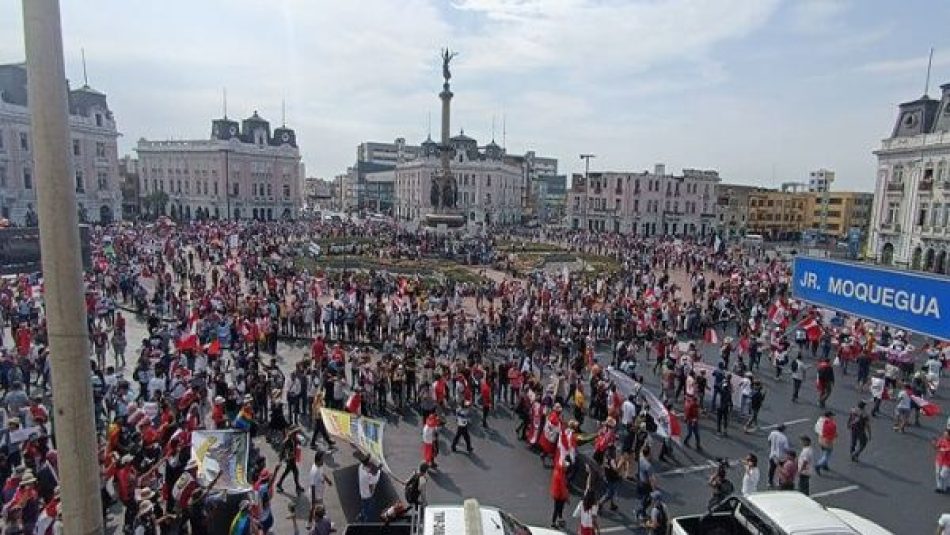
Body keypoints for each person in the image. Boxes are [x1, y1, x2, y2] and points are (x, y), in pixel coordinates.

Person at [277, 427, 305, 494]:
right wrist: (282, 459)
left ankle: (279, 483)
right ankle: (297, 487)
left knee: (287, 471)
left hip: (292, 458)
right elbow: (284, 451)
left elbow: (298, 442)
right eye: (294, 433)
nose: (296, 435)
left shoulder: (293, 439)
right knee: (295, 472)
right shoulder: (287, 441)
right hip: (290, 459)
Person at [308, 450, 332, 526]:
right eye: (322, 459)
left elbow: (322, 474)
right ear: (318, 460)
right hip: (316, 495)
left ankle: (310, 523)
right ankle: (321, 524)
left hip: (319, 493)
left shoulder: (320, 466)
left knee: (315, 509)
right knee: (319, 509)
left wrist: (327, 480)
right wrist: (313, 499)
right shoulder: (314, 471)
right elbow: (312, 486)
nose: (324, 460)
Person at [356, 455, 380, 522]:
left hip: (362, 492)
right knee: (369, 509)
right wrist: (372, 493)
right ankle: (366, 520)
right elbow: (372, 486)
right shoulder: (369, 475)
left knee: (364, 505)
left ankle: (362, 515)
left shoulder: (361, 467)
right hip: (367, 495)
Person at [766, 424, 789, 488]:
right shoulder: (784, 437)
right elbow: (786, 448)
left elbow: (769, 441)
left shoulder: (772, 433)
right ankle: (779, 482)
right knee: (781, 469)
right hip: (781, 456)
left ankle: (770, 482)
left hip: (773, 454)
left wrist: (771, 448)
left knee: (771, 469)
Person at [935, 428, 950, 493]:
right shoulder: (941, 439)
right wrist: (935, 445)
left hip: (947, 462)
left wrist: (943, 449)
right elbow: (937, 446)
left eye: (946, 435)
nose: (945, 436)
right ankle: (939, 487)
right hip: (939, 460)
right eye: (944, 434)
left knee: (943, 475)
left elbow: (948, 449)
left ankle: (947, 486)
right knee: (938, 474)